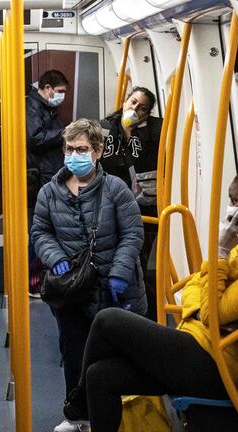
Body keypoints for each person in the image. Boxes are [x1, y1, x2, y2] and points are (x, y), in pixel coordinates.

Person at [61, 164, 238, 432]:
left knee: (108, 320)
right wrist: (204, 304)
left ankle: (78, 403)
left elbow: (211, 313)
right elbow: (193, 289)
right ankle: (84, 402)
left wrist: (220, 254)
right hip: (200, 344)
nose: (230, 209)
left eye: (235, 202)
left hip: (222, 366)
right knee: (100, 375)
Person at [29, 118, 146, 432]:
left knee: (110, 357)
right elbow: (40, 232)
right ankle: (77, 416)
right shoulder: (50, 192)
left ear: (97, 151)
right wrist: (55, 259)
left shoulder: (116, 189)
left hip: (112, 286)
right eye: (69, 149)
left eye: (81, 149)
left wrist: (120, 273)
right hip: (72, 289)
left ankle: (114, 418)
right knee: (74, 351)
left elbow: (132, 235)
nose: (74, 155)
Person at [100, 87, 162, 319]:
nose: (135, 109)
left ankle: (141, 315)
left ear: (147, 113)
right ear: (124, 101)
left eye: (142, 107)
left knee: (138, 261)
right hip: (112, 207)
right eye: (133, 102)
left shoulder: (155, 130)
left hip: (143, 208)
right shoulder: (106, 129)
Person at [25, 69, 70, 298]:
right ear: (48, 88)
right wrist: (64, 133)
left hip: (45, 174)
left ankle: (40, 278)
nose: (61, 96)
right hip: (38, 177)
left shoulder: (46, 107)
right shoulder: (33, 107)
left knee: (43, 230)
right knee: (38, 231)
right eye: (60, 91)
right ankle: (33, 282)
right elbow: (34, 139)